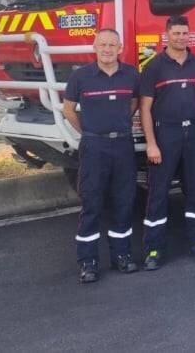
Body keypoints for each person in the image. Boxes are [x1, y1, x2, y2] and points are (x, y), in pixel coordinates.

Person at [139, 15, 195, 269]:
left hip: (194, 134)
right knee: (159, 192)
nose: (181, 38)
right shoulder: (154, 66)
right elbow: (145, 109)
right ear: (167, 35)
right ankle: (154, 250)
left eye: (185, 33)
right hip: (166, 135)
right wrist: (151, 143)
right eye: (176, 34)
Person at [62, 29, 140, 283]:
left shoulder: (131, 75)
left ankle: (122, 256)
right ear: (95, 47)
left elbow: (134, 104)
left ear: (120, 48)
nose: (107, 49)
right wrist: (89, 130)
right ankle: (88, 262)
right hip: (94, 147)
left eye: (112, 45)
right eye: (103, 45)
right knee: (92, 203)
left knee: (123, 201)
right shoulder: (80, 76)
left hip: (123, 146)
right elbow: (69, 109)